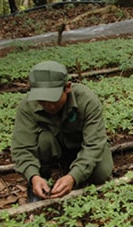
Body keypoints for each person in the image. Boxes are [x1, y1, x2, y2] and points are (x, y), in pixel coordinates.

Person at [11, 60, 113, 202]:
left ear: (68, 88)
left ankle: (74, 176)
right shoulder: (27, 106)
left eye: (53, 99)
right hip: (55, 148)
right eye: (42, 100)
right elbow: (21, 148)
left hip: (81, 146)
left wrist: (74, 176)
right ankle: (41, 185)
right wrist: (33, 176)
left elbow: (94, 144)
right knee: (43, 140)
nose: (49, 106)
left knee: (101, 173)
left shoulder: (87, 101)